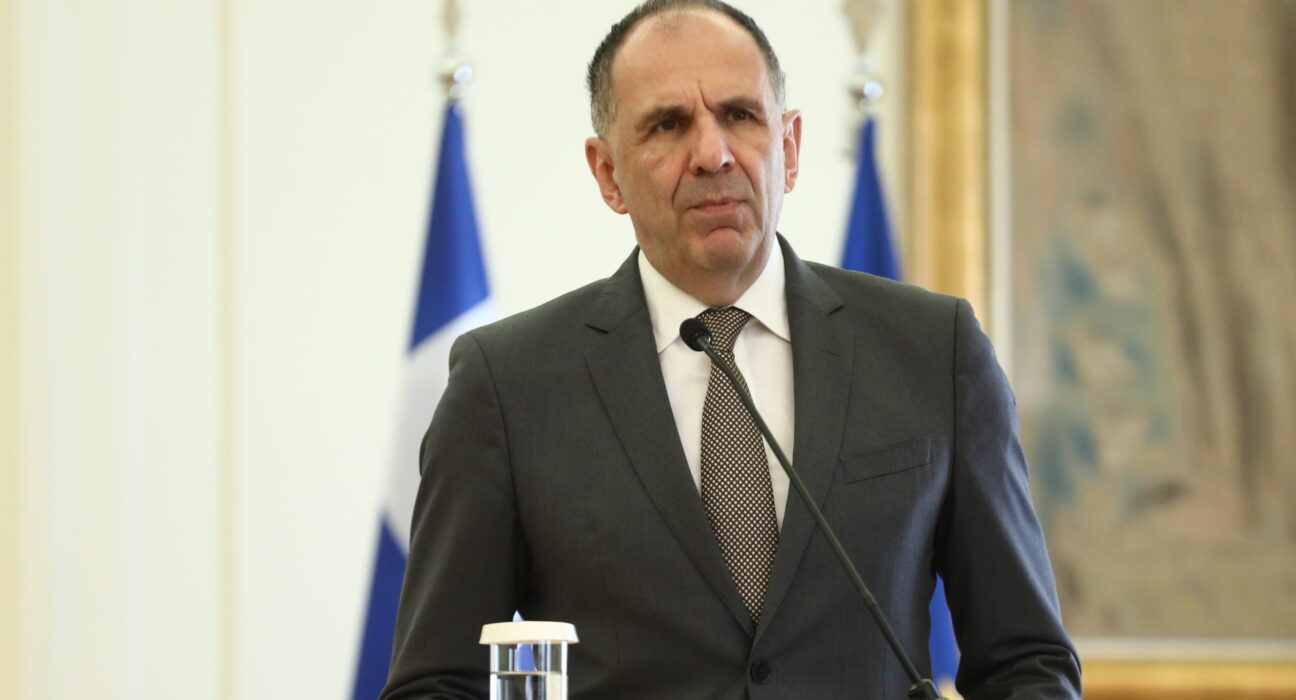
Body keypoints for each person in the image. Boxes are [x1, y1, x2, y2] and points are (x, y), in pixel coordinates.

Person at [381, 1, 1082, 698]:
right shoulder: (508, 386)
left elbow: (1027, 665)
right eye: (668, 125)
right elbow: (436, 683)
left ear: (790, 148)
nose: (713, 155)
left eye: (741, 115)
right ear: (607, 173)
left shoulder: (933, 351)